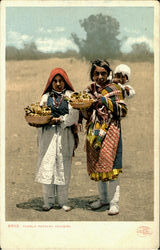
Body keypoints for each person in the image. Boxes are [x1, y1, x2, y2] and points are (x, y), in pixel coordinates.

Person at [80, 59, 128, 215]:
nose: (100, 76)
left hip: (111, 132)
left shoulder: (115, 89)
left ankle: (114, 203)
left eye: (103, 73)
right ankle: (103, 199)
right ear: (92, 75)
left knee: (112, 168)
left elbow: (123, 111)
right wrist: (84, 109)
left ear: (108, 74)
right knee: (98, 166)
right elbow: (86, 113)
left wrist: (105, 101)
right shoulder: (89, 90)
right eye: (96, 73)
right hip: (94, 133)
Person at [35, 68, 79, 212]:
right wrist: (44, 120)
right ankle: (48, 201)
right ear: (51, 82)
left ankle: (63, 201)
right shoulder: (46, 97)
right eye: (55, 81)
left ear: (65, 81)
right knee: (47, 165)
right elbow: (39, 112)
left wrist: (60, 119)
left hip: (64, 134)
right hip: (47, 135)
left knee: (63, 167)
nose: (58, 84)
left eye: (61, 81)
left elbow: (74, 116)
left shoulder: (71, 96)